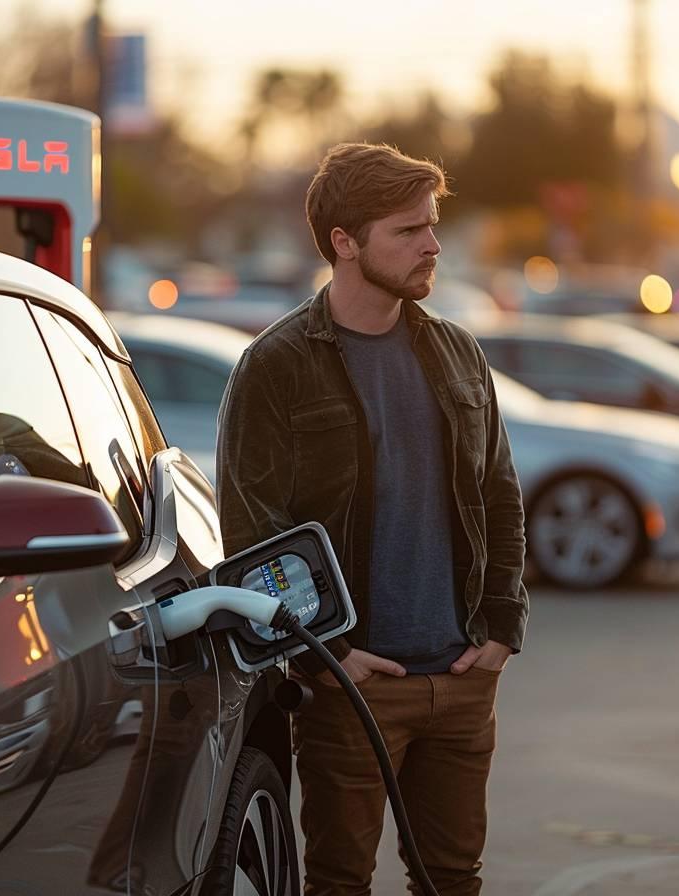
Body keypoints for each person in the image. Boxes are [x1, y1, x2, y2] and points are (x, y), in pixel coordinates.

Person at [215, 142, 528, 896]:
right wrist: (326, 654)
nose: (432, 244)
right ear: (343, 243)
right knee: (338, 882)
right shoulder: (278, 365)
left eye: (431, 224)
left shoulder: (456, 352)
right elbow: (252, 536)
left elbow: (498, 494)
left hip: (460, 678)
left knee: (453, 879)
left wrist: (500, 628)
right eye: (407, 230)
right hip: (348, 686)